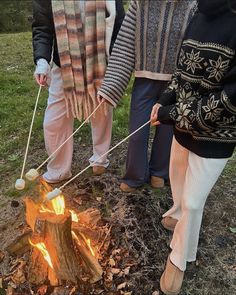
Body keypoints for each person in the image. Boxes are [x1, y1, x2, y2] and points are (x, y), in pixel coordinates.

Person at [150, 0, 236, 293]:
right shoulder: (198, 14)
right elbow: (180, 70)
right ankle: (176, 215)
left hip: (216, 134)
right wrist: (165, 99)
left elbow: (229, 100)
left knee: (194, 201)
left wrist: (174, 114)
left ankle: (179, 259)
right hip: (184, 127)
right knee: (177, 176)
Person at [98, 0, 197, 192]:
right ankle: (135, 175)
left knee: (167, 132)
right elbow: (125, 45)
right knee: (137, 132)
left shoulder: (192, 5)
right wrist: (110, 87)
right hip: (145, 80)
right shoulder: (140, 3)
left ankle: (159, 173)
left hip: (176, 82)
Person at [32, 0, 125, 183]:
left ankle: (100, 159)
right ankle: (59, 170)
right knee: (53, 122)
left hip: (99, 61)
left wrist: (114, 57)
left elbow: (119, 24)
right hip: (65, 64)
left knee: (100, 108)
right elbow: (42, 27)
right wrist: (42, 60)